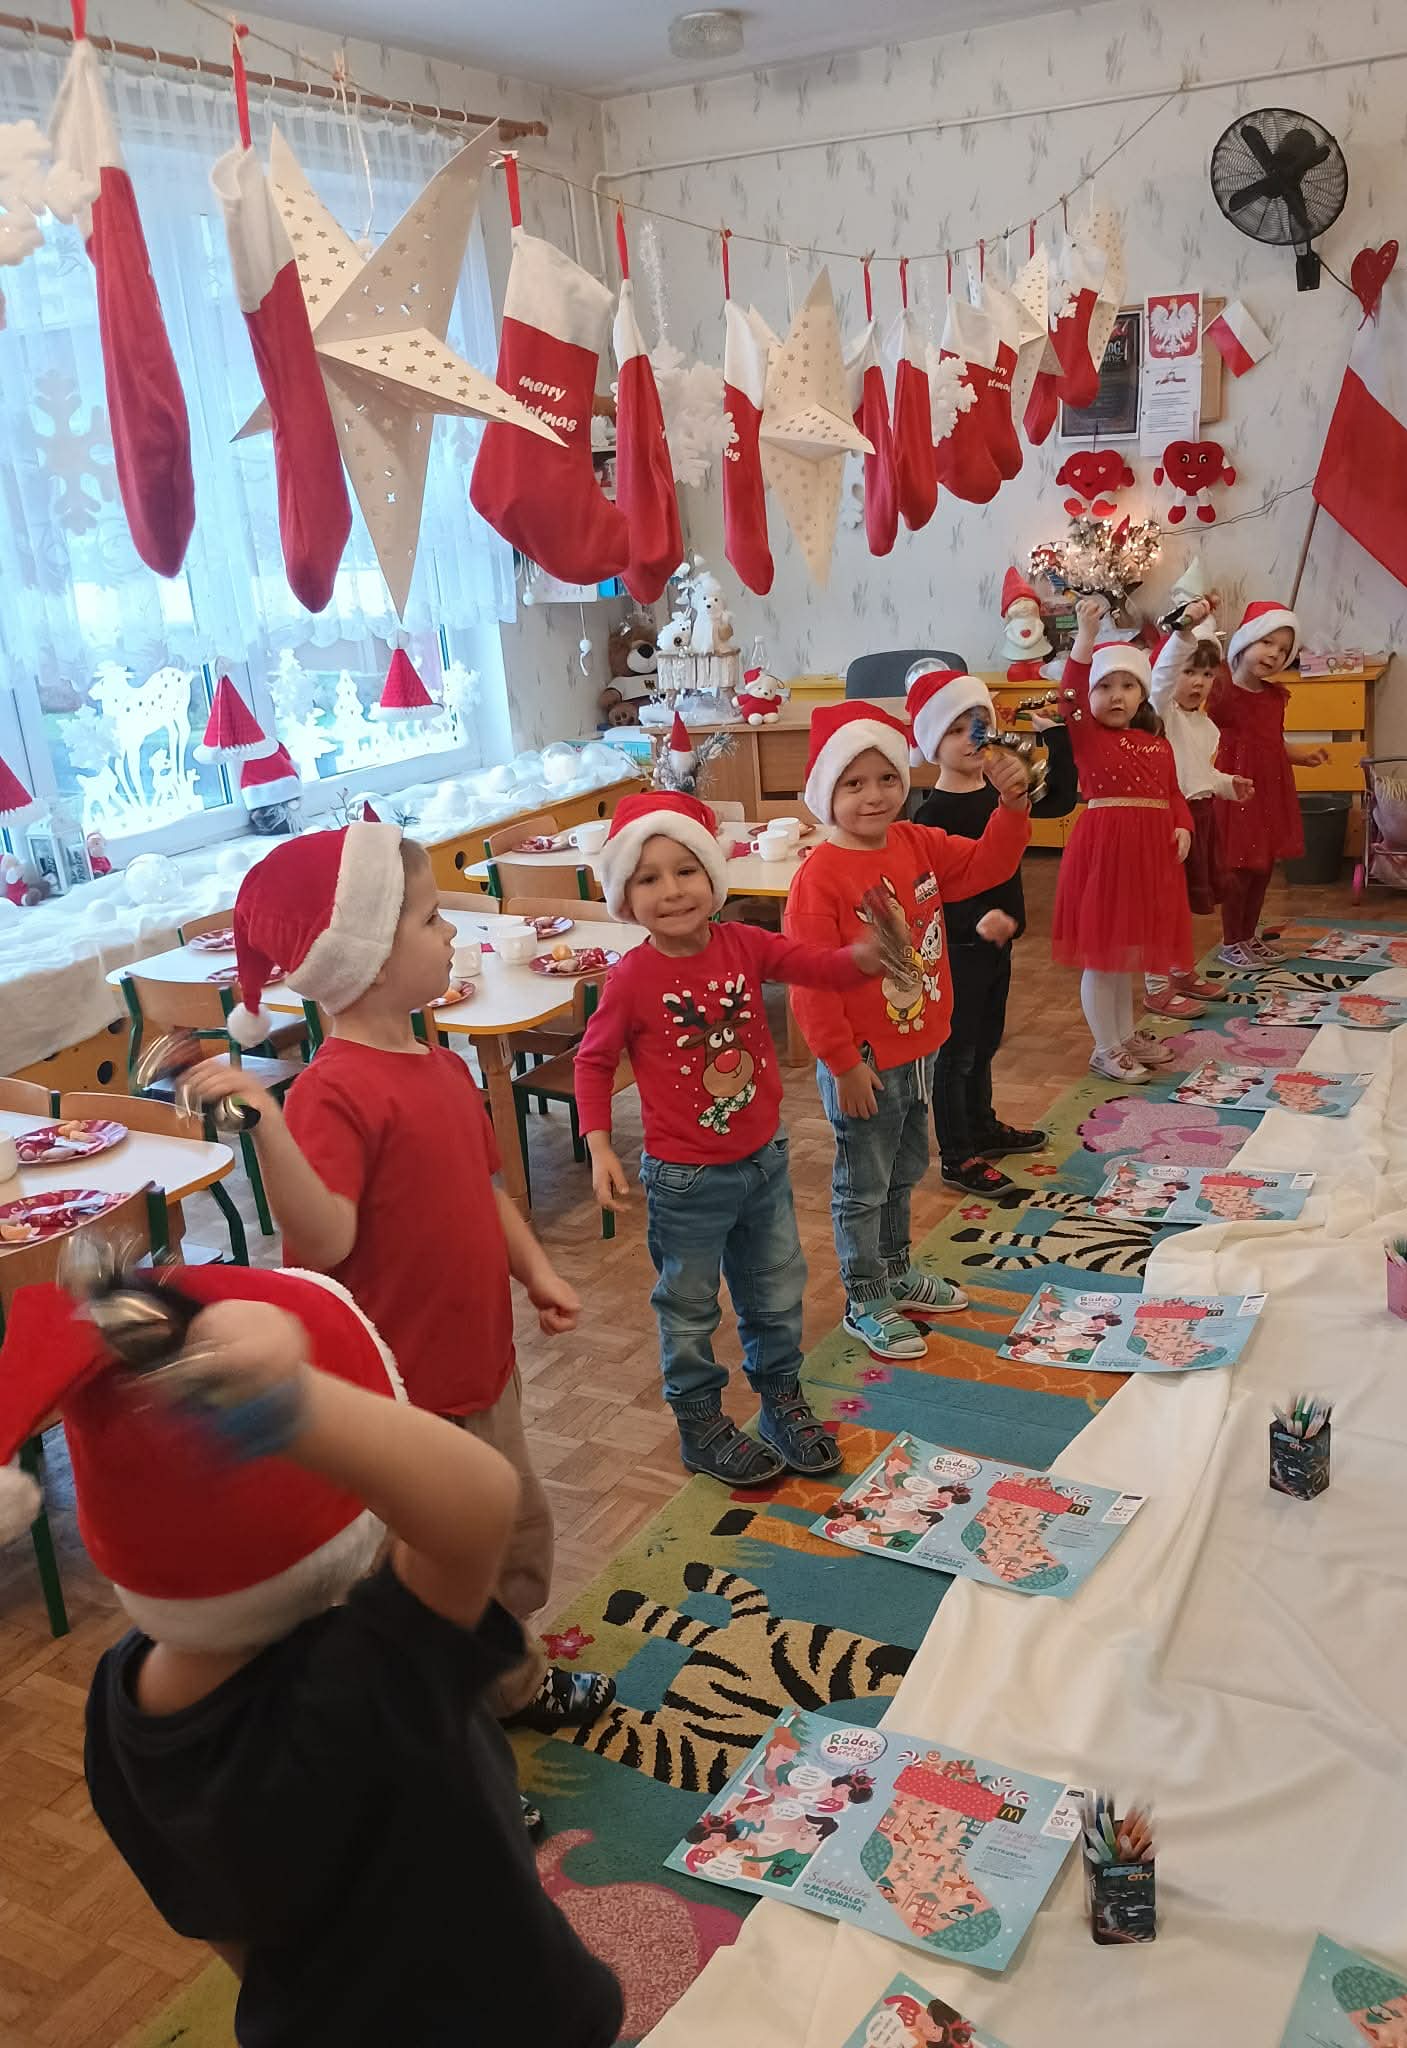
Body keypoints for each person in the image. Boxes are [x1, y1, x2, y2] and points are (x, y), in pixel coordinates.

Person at [0, 1264, 624, 2048]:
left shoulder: (116, 1707)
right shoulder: (363, 1680)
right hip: (506, 2019)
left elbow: (212, 1920)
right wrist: (284, 1400)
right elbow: (477, 1501)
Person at [182, 823, 612, 1776]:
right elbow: (328, 1238)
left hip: (482, 1366)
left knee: (509, 1543)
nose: (450, 931)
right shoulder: (330, 1094)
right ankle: (455, 1761)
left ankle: (509, 1684)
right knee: (433, 1587)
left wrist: (535, 1270)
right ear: (369, 958)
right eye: (427, 919)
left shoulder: (444, 1065)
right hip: (404, 1396)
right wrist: (271, 1130)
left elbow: (484, 1190)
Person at [575, 790, 886, 1484]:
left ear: (712, 875)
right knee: (688, 1308)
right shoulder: (631, 978)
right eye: (648, 878)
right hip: (685, 1182)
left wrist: (860, 958)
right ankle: (700, 1424)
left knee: (776, 1293)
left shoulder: (744, 943)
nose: (671, 890)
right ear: (624, 896)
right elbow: (593, 1061)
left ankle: (780, 1400)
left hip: (764, 1162)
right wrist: (598, 1143)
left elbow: (812, 965)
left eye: (685, 870)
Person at [784, 699, 1035, 1362]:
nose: (873, 795)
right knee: (863, 1183)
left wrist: (1012, 806)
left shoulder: (914, 842)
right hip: (863, 1059)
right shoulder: (818, 878)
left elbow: (988, 866)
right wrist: (842, 1063)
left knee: (905, 1168)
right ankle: (865, 1296)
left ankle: (895, 1270)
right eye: (853, 783)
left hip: (920, 1045)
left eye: (886, 778)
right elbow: (810, 984)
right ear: (826, 792)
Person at [909, 668, 1073, 1194]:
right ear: (933, 742)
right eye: (956, 729)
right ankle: (957, 1155)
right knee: (956, 1054)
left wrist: (1055, 733)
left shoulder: (999, 792)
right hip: (956, 949)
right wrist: (974, 915)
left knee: (984, 1044)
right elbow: (928, 890)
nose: (971, 739)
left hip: (995, 946)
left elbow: (1062, 799)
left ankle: (982, 1127)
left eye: (979, 726)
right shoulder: (932, 813)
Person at [1051, 595, 1194, 1083]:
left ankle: (1124, 1035)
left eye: (1128, 686)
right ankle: (1104, 1047)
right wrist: (1086, 638)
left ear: (1142, 695)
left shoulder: (1157, 745)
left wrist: (1183, 825)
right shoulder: (1088, 738)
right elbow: (1069, 695)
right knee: (1102, 959)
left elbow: (1172, 794)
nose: (1116, 696)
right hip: (1105, 859)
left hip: (1147, 860)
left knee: (1126, 957)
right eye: (1105, 686)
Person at [1144, 598, 1255, 1017]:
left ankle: (1180, 971)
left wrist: (1227, 785)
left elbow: (1199, 774)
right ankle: (1156, 986)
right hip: (1166, 822)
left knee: (1181, 905)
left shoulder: (1205, 725)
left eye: (1207, 674)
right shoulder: (1160, 715)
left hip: (1199, 819)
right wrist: (1183, 634)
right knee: (1162, 905)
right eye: (1189, 671)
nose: (1198, 683)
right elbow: (1161, 676)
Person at [1207, 598, 1327, 967]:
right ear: (1246, 640)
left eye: (1283, 650)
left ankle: (1247, 935)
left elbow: (1273, 742)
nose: (1274, 654)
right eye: (1267, 642)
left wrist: (1301, 756)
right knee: (1239, 869)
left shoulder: (1275, 697)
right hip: (1238, 792)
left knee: (1262, 869)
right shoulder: (1221, 690)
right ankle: (1231, 940)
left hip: (1270, 792)